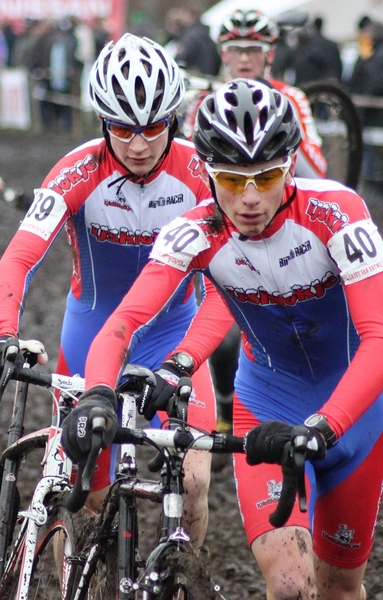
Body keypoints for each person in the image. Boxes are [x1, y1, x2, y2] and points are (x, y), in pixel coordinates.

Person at [62, 78, 383, 599]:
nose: (251, 199)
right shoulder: (195, 232)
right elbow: (120, 325)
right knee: (291, 586)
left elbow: (379, 337)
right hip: (268, 400)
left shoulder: (338, 214)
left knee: (341, 587)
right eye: (232, 181)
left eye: (268, 177)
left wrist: (326, 425)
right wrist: (98, 392)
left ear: (292, 164)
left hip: (355, 408)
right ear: (208, 173)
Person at [0, 33, 231, 552]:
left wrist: (188, 357)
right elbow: (18, 257)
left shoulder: (202, 173)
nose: (140, 144)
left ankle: (179, 573)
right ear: (103, 120)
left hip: (172, 334)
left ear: (174, 116)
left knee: (193, 484)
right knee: (86, 505)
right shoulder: (77, 169)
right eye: (123, 129)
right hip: (91, 334)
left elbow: (227, 283)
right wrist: (5, 332)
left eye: (154, 127)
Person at [181, 8, 328, 431]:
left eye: (254, 50)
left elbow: (317, 171)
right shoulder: (203, 104)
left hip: (284, 231)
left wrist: (278, 126)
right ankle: (227, 408)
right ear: (223, 54)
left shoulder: (292, 97)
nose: (244, 59)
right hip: (224, 235)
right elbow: (195, 175)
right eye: (235, 50)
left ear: (270, 53)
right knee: (223, 336)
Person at [174, 3, 222, 77]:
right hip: (210, 77)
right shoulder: (206, 33)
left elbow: (181, 58)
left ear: (190, 15)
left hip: (195, 79)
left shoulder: (191, 36)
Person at [292, 17, 343, 85]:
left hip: (311, 87)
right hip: (330, 86)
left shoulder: (306, 47)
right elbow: (338, 68)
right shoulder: (332, 44)